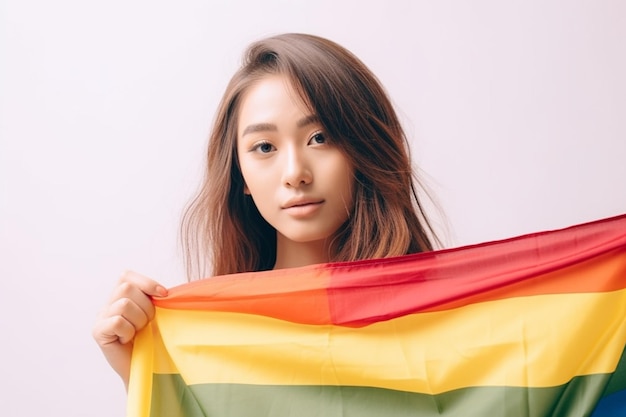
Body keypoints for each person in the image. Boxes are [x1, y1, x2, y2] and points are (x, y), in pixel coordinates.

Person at [92, 32, 439, 389]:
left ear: (365, 149)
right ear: (239, 174)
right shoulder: (216, 339)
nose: (295, 174)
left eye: (320, 137)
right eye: (264, 147)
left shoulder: (446, 318)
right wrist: (143, 377)